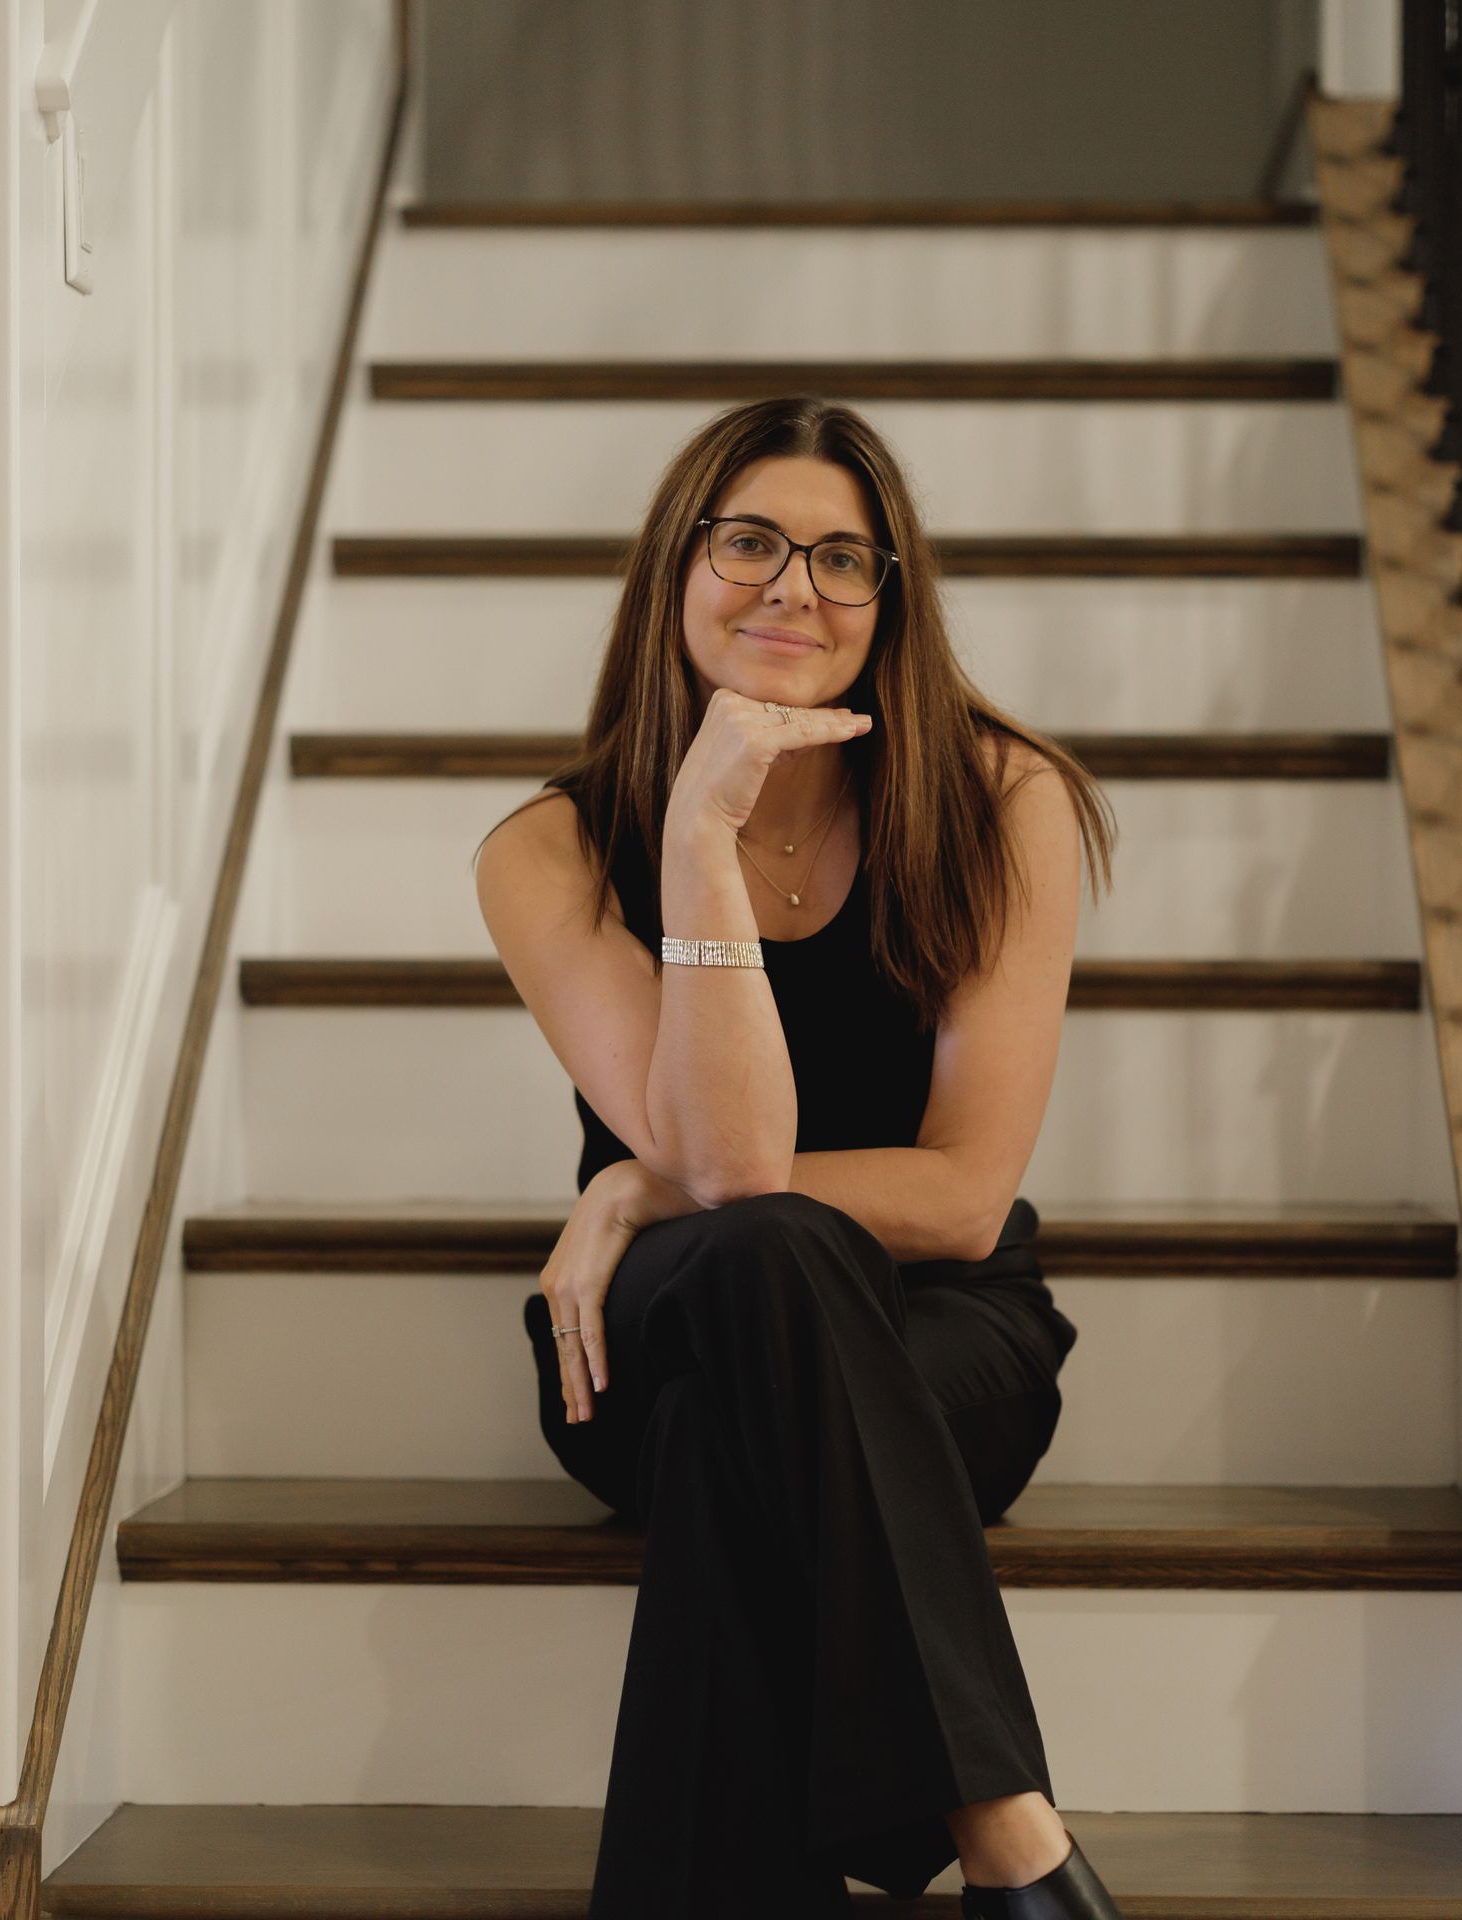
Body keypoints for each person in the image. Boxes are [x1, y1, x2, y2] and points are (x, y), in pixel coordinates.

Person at [474, 395, 1124, 1920]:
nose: (795, 589)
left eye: (845, 559)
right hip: (651, 1328)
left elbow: (961, 1197)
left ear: (891, 603)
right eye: (752, 541)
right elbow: (739, 1165)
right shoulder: (550, 852)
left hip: (938, 1333)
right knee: (754, 1262)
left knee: (740, 1391)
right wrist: (700, 835)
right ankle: (1008, 1835)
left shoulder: (999, 798)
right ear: (675, 569)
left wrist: (640, 1184)